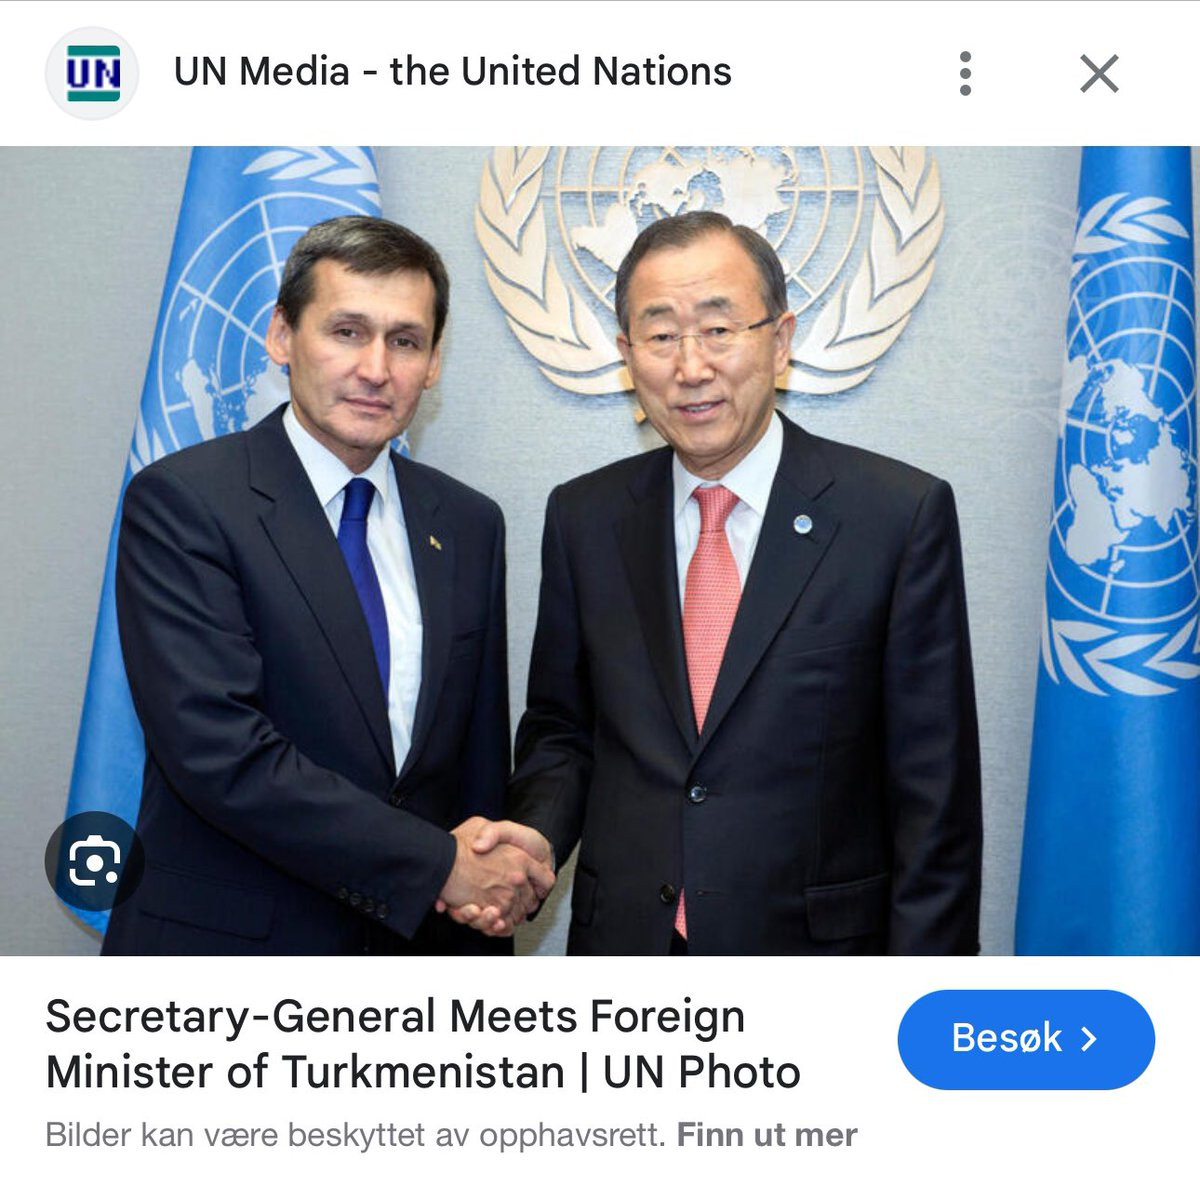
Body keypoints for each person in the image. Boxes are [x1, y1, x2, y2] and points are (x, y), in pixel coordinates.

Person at [470, 210, 981, 955]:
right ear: (627, 355)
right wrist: (535, 837)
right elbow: (564, 730)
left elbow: (935, 794)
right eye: (661, 335)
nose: (691, 366)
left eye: (718, 328)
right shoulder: (584, 517)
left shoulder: (896, 517)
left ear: (779, 340)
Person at [103, 216, 552, 955]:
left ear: (434, 361)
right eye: (347, 332)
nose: (376, 368)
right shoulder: (185, 501)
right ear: (283, 335)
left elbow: (474, 767)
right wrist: (440, 867)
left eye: (405, 341)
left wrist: (485, 903)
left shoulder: (469, 523)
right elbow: (220, 751)